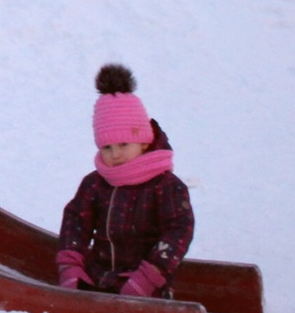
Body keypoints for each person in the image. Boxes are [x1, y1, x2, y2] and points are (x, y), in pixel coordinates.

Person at [55, 64, 194, 298]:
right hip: (98, 276)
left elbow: (178, 230)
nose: (115, 154)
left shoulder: (165, 186)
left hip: (146, 283)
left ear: (145, 142)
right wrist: (71, 266)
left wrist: (149, 277)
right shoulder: (95, 184)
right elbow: (76, 221)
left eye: (123, 145)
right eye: (107, 147)